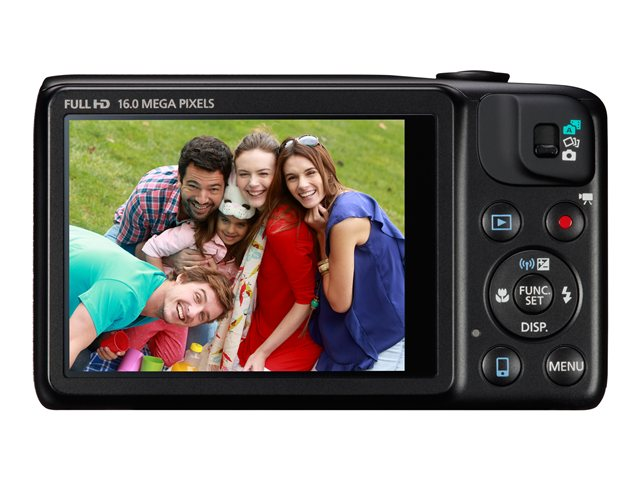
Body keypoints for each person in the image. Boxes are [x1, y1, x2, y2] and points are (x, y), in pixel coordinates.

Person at [277, 135, 405, 371]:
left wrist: (321, 236)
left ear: (326, 170)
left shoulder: (344, 219)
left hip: (384, 341)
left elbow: (338, 302)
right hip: (356, 336)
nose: (302, 185)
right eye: (292, 178)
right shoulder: (344, 200)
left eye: (310, 173)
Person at [69, 225, 234, 369]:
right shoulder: (126, 291)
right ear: (182, 278)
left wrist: (103, 339)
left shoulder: (157, 292)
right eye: (197, 297)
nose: (192, 312)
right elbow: (68, 345)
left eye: (202, 315)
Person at [229, 132, 322, 371]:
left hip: (286, 344)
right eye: (244, 174)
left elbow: (305, 300)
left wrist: (262, 352)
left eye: (263, 174)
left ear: (278, 175)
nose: (253, 183)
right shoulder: (262, 212)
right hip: (262, 327)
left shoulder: (282, 227)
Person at [141, 173, 258, 346]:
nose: (231, 230)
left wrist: (216, 276)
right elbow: (152, 248)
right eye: (225, 220)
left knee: (173, 357)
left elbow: (229, 300)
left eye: (240, 224)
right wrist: (163, 287)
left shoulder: (241, 260)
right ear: (215, 218)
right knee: (130, 346)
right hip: (164, 301)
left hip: (187, 314)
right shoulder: (194, 234)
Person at [106, 136, 233, 271]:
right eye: (193, 186)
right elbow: (127, 247)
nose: (202, 199)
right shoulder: (147, 195)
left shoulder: (231, 204)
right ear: (179, 179)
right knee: (106, 261)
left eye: (213, 189)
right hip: (136, 239)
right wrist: (168, 259)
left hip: (181, 254)